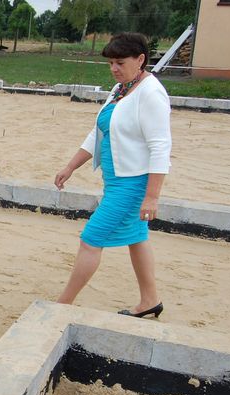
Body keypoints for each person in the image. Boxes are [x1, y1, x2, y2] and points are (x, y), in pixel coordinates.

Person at [54, 33, 171, 318]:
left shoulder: (150, 93)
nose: (114, 68)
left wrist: (152, 196)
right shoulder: (121, 88)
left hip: (133, 184)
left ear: (141, 59)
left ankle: (63, 304)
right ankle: (150, 300)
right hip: (116, 179)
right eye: (111, 63)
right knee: (137, 238)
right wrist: (71, 166)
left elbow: (160, 147)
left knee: (91, 238)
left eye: (120, 62)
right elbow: (99, 132)